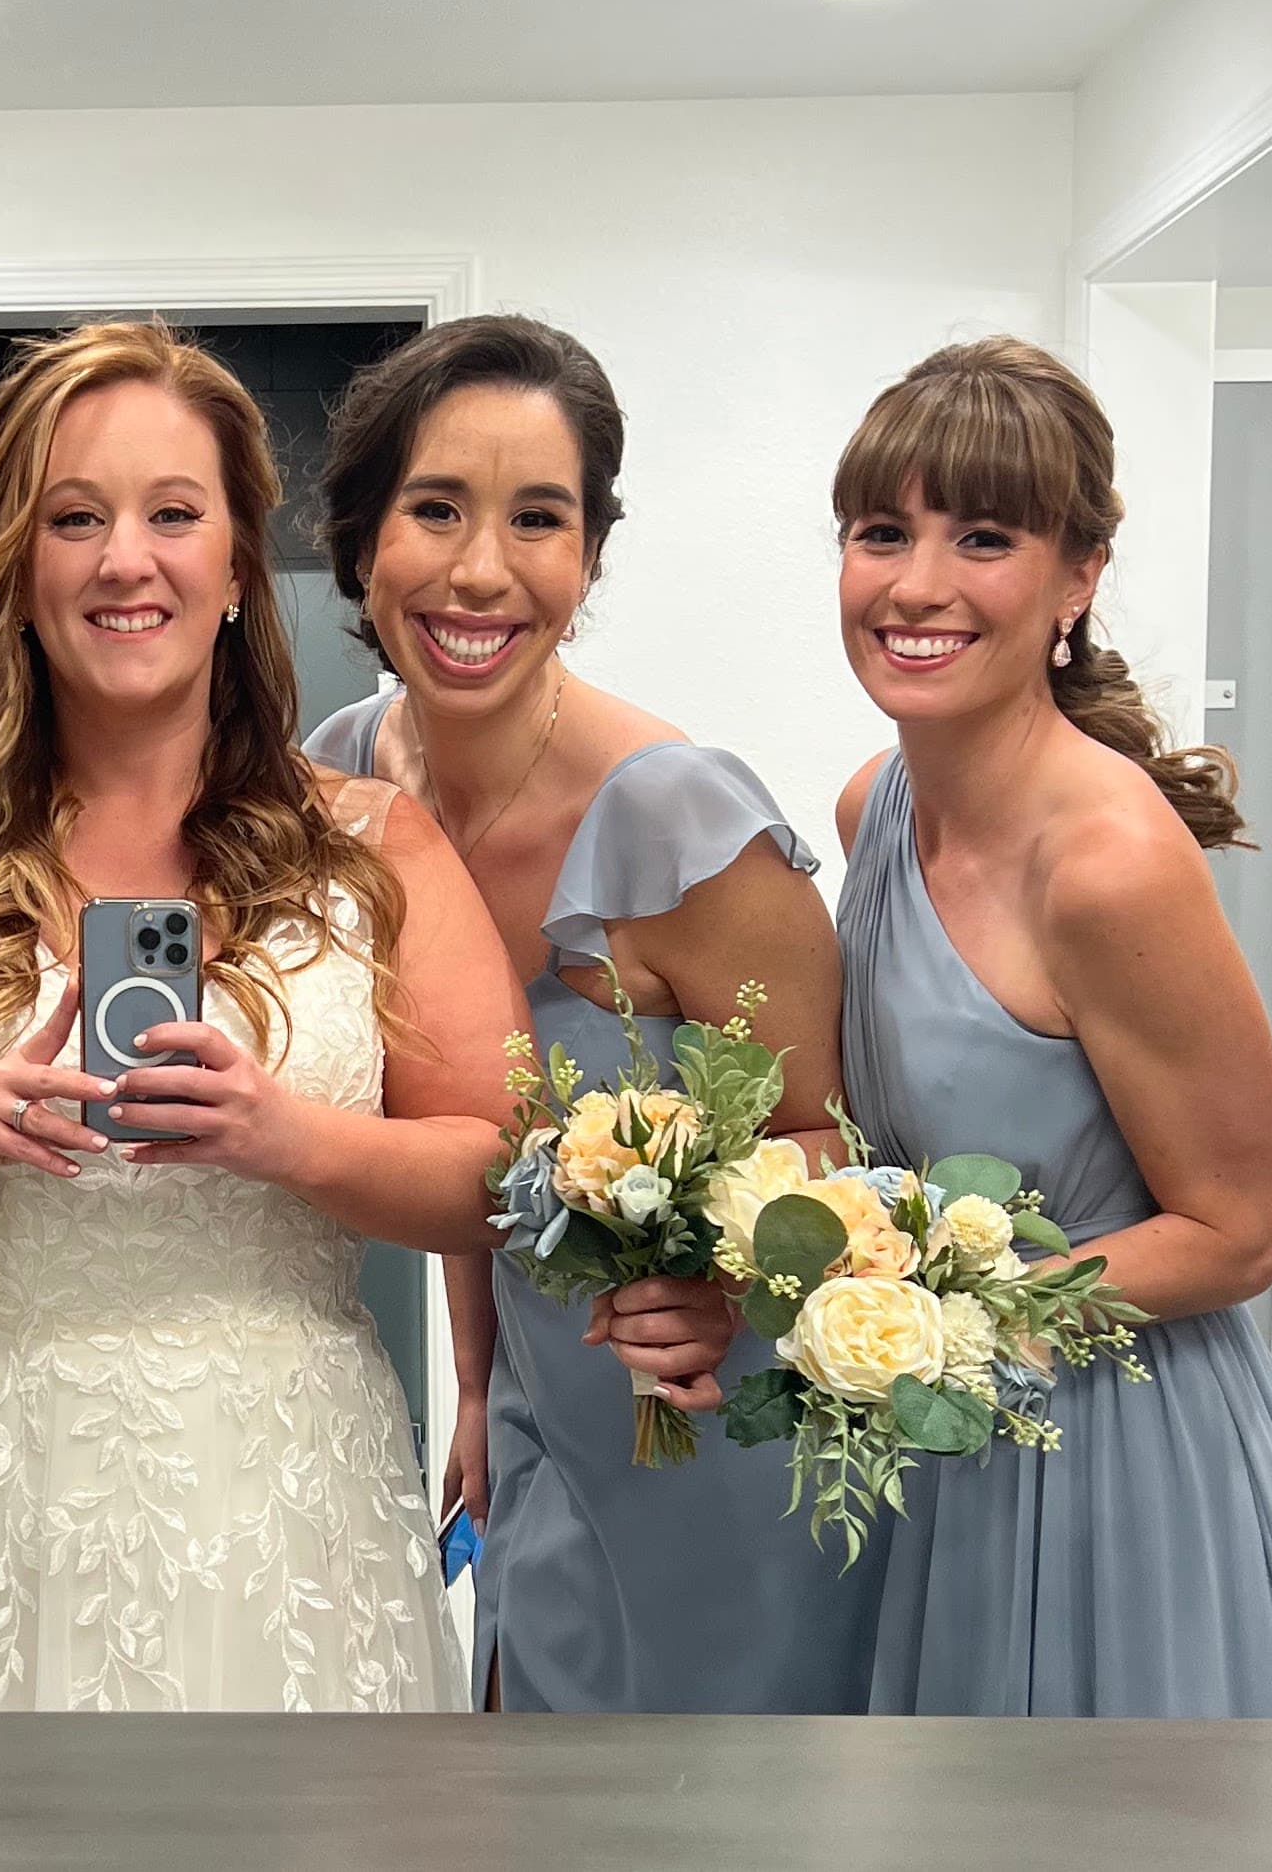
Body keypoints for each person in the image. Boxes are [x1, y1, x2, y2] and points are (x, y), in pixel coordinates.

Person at [0, 320, 523, 1710]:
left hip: (278, 1494)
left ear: (235, 564)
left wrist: (285, 1136)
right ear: (18, 568)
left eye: (173, 514)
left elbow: (495, 1173)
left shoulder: (373, 848)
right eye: (75, 517)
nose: (125, 560)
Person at [305, 315, 877, 1712]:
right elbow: (461, 1132)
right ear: (363, 535)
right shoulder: (332, 788)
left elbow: (834, 1141)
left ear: (590, 556)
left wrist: (729, 1284)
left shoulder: (680, 821)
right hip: (536, 1419)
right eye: (434, 508)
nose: (480, 569)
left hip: (712, 1423)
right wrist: (476, 1389)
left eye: (538, 520)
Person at [830, 334, 1272, 1716]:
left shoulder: (1104, 860)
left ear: (1075, 578)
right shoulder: (870, 806)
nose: (916, 585)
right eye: (882, 531)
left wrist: (950, 1311)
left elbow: (1236, 1234)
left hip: (1125, 1460)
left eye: (981, 537)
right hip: (949, 1446)